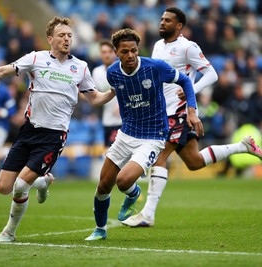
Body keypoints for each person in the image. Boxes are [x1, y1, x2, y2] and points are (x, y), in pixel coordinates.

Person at [0, 17, 115, 243]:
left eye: (69, 35)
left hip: (53, 136)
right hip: (28, 131)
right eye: (62, 35)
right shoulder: (36, 58)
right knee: (3, 187)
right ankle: (43, 181)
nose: (67, 39)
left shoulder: (80, 67)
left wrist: (113, 91)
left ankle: (9, 233)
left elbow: (94, 98)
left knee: (19, 186)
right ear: (50, 39)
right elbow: (6, 70)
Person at [122, 7, 262, 228]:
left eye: (168, 20)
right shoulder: (158, 46)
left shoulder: (188, 47)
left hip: (180, 111)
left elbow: (212, 73)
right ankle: (243, 146)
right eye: (161, 19)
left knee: (159, 157)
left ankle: (148, 214)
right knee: (194, 162)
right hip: (162, 111)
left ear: (179, 26)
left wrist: (193, 90)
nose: (162, 22)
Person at [85, 28, 203, 241]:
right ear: (116, 52)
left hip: (153, 136)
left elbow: (185, 81)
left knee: (123, 181)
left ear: (138, 50)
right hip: (126, 134)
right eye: (124, 52)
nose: (130, 55)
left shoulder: (155, 67)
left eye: (133, 50)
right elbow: (112, 94)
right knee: (103, 185)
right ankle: (100, 229)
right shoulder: (112, 73)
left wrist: (192, 111)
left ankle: (134, 193)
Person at [92, 40, 122, 148]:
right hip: (107, 120)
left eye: (110, 51)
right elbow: (95, 94)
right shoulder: (96, 72)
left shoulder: (122, 69)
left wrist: (120, 104)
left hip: (123, 120)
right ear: (100, 54)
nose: (107, 55)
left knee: (120, 153)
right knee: (109, 152)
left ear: (115, 53)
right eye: (104, 52)